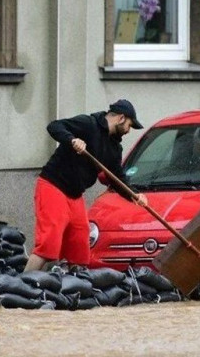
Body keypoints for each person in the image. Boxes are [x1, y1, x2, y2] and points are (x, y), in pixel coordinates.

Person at [25, 99, 149, 271]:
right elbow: (54, 126)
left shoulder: (114, 148)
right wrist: (72, 140)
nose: (129, 130)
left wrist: (134, 195)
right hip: (53, 186)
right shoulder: (88, 124)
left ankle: (73, 287)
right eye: (129, 125)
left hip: (75, 195)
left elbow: (117, 178)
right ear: (121, 118)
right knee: (48, 243)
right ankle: (23, 286)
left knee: (80, 244)